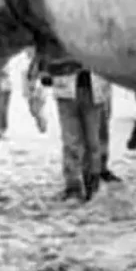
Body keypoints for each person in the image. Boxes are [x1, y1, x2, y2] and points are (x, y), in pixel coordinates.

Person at [50, 67, 114, 201]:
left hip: (95, 90)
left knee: (93, 141)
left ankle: (92, 183)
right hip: (66, 90)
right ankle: (73, 185)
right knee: (71, 142)